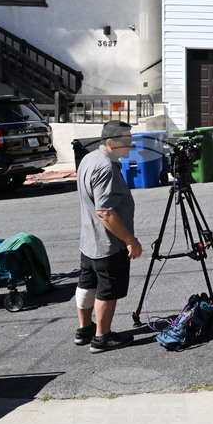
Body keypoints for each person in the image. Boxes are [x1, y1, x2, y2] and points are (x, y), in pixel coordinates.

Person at [75, 120, 142, 353]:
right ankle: (101, 338)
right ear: (111, 141)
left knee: (87, 283)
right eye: (127, 140)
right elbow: (105, 211)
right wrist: (130, 240)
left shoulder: (89, 158)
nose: (131, 144)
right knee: (107, 290)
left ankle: (85, 330)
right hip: (107, 243)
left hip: (89, 240)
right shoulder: (106, 168)